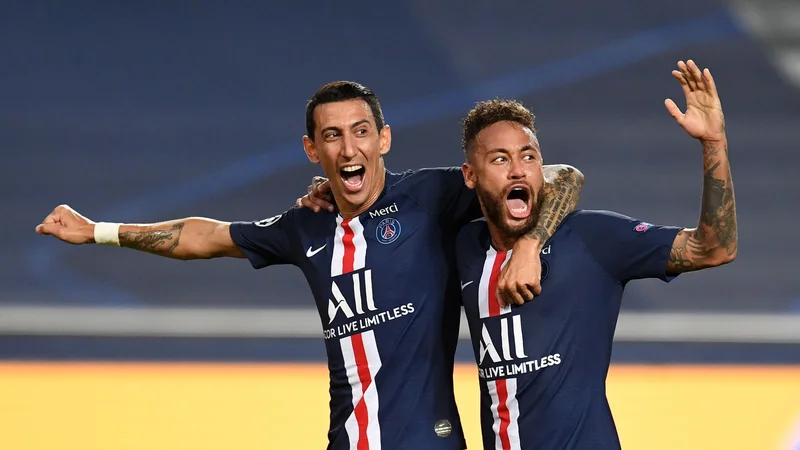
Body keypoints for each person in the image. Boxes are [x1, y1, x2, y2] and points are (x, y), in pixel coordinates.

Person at [35, 81, 585, 449]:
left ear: (383, 138)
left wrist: (532, 243)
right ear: (311, 150)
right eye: (332, 136)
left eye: (361, 131)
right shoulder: (308, 225)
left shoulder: (433, 197)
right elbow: (205, 237)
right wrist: (98, 231)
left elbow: (560, 176)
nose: (350, 149)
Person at [454, 60, 736, 449]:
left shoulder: (591, 238)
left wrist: (714, 143)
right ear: (470, 176)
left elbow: (714, 247)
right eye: (500, 159)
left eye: (529, 156)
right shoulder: (463, 248)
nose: (518, 170)